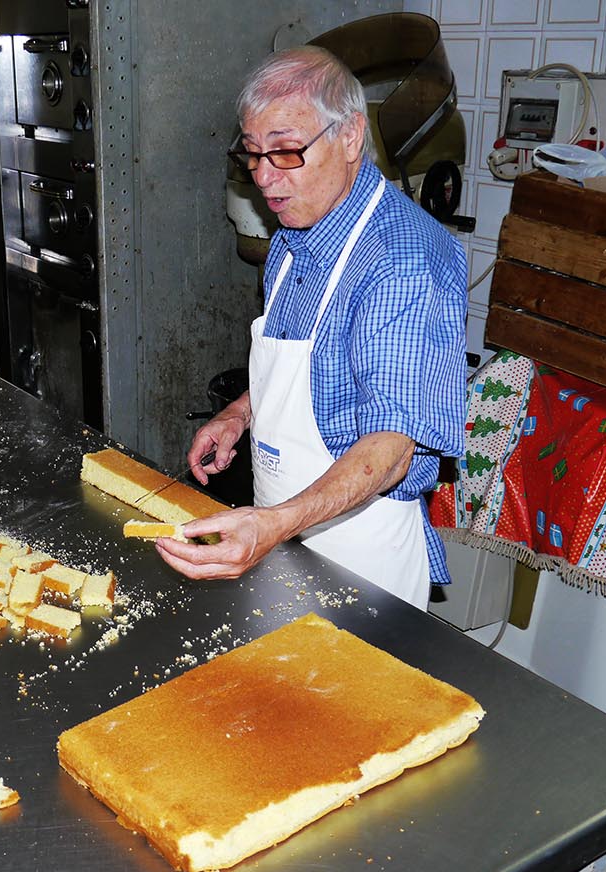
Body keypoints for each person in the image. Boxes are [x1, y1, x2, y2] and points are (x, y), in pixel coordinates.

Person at [156, 46, 467, 608]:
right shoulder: (292, 239)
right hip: (278, 528)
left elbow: (392, 448)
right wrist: (238, 413)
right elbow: (317, 365)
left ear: (349, 137)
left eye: (285, 152)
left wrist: (275, 524)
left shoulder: (405, 259)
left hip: (362, 560)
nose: (265, 179)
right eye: (252, 155)